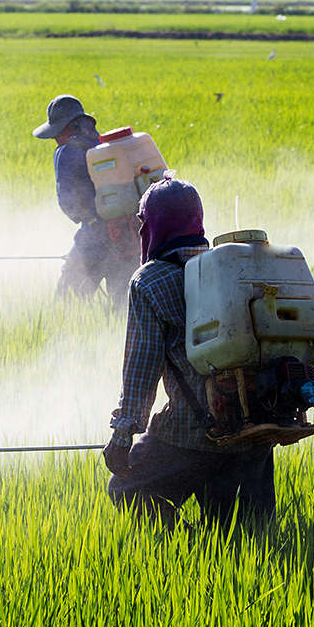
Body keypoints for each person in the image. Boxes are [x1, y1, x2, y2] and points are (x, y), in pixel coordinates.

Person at [102, 178, 275, 530]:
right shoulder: (235, 268)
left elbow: (141, 371)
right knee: (245, 541)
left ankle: (189, 546)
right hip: (256, 427)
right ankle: (210, 557)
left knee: (127, 487)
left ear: (152, 224)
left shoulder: (149, 281)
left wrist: (122, 436)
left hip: (190, 432)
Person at [32, 95, 139, 307]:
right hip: (129, 237)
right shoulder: (104, 146)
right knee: (123, 311)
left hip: (93, 238)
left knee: (68, 305)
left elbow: (68, 203)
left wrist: (86, 221)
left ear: (63, 129)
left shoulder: (66, 151)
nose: (54, 139)